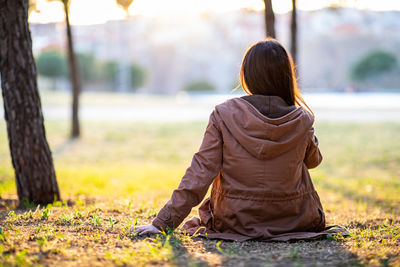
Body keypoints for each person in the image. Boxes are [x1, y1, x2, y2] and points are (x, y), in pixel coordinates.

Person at [132, 38, 348, 241]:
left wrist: (163, 223)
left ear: (247, 74)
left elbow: (201, 171)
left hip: (235, 220)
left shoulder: (223, 114)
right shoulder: (301, 118)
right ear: (286, 75)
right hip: (293, 219)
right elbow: (313, 161)